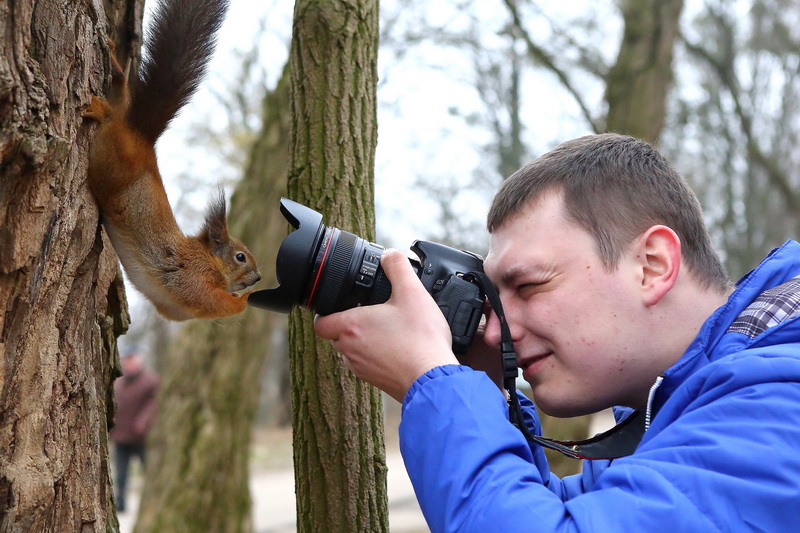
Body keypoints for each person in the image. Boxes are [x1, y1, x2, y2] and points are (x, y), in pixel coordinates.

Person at [314, 133, 800, 531]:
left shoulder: (780, 403)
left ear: (652, 265)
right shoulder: (668, 419)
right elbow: (556, 515)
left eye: (528, 286)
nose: (498, 331)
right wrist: (487, 391)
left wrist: (433, 380)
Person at [110, 346, 160, 513]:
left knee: (150, 471)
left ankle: (155, 501)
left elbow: (154, 404)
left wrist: (143, 422)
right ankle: (121, 503)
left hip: (142, 437)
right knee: (121, 474)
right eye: (127, 359)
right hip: (121, 436)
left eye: (132, 359)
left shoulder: (151, 381)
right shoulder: (118, 382)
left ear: (140, 360)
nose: (129, 363)